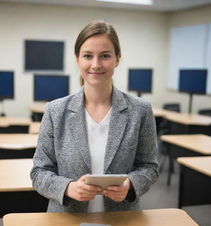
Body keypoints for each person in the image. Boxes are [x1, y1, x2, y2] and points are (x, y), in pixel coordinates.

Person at [30, 21, 158, 213]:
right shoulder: (55, 111)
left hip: (123, 221)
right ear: (77, 59)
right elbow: (39, 172)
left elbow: (149, 167)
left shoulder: (140, 111)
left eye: (105, 56)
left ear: (117, 59)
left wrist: (130, 185)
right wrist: (68, 188)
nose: (96, 64)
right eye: (88, 56)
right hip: (66, 222)